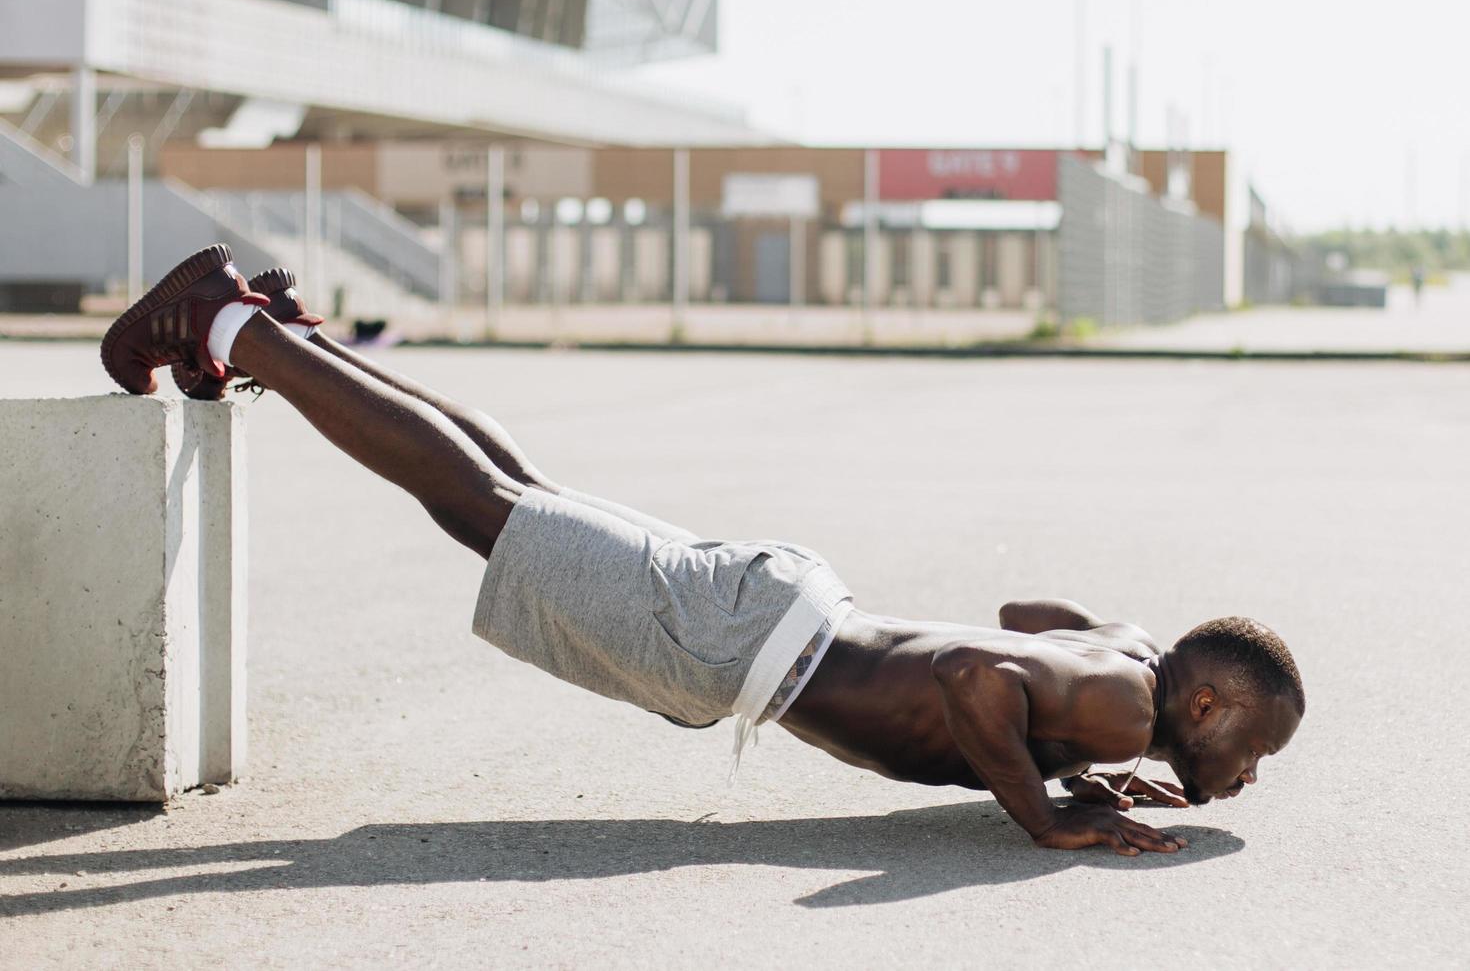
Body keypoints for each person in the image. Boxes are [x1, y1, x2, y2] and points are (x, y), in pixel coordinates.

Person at [100, 245, 1305, 857]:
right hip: (748, 643)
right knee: (488, 510)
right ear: (1202, 700)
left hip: (787, 601)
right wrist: (1043, 814)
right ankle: (232, 326)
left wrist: (1076, 762)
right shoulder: (1115, 697)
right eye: (1250, 748)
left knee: (518, 501)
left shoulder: (1125, 663)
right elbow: (975, 677)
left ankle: (277, 325)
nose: (1249, 774)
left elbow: (1024, 615)